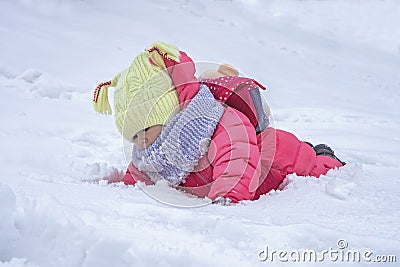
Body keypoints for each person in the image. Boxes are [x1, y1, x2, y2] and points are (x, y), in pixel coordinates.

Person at [93, 41, 345, 204]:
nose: (142, 140)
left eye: (145, 129)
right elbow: (140, 173)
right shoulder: (154, 149)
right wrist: (122, 189)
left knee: (309, 164)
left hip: (269, 162)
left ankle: (325, 156)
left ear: (168, 111)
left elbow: (237, 160)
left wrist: (228, 196)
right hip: (242, 169)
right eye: (134, 136)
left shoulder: (218, 123)